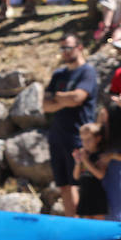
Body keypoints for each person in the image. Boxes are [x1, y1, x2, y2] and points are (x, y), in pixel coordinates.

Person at [41, 33, 98, 217]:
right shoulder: (59, 74)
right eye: (62, 48)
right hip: (57, 136)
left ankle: (86, 225)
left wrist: (57, 97)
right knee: (64, 185)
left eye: (68, 48)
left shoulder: (87, 72)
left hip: (78, 136)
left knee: (80, 184)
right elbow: (44, 105)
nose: (65, 52)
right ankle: (72, 224)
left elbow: (78, 98)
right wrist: (66, 99)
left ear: (79, 47)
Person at [72, 121, 109, 219]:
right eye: (83, 140)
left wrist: (86, 161)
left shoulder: (101, 156)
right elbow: (76, 176)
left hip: (97, 195)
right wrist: (78, 162)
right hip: (84, 195)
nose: (85, 143)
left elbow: (100, 175)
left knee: (99, 225)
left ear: (98, 138)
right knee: (87, 223)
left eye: (89, 139)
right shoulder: (83, 154)